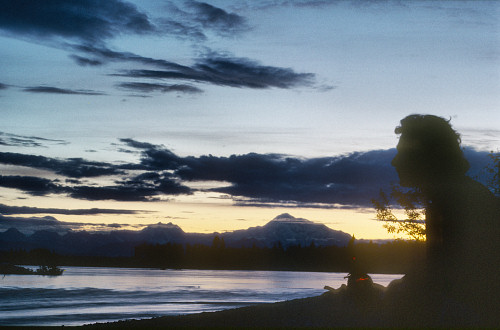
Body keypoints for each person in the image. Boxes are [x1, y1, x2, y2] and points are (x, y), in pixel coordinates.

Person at [389, 114, 500, 326]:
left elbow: (452, 283)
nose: (395, 161)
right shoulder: (452, 197)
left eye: (403, 153)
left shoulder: (457, 203)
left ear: (427, 157)